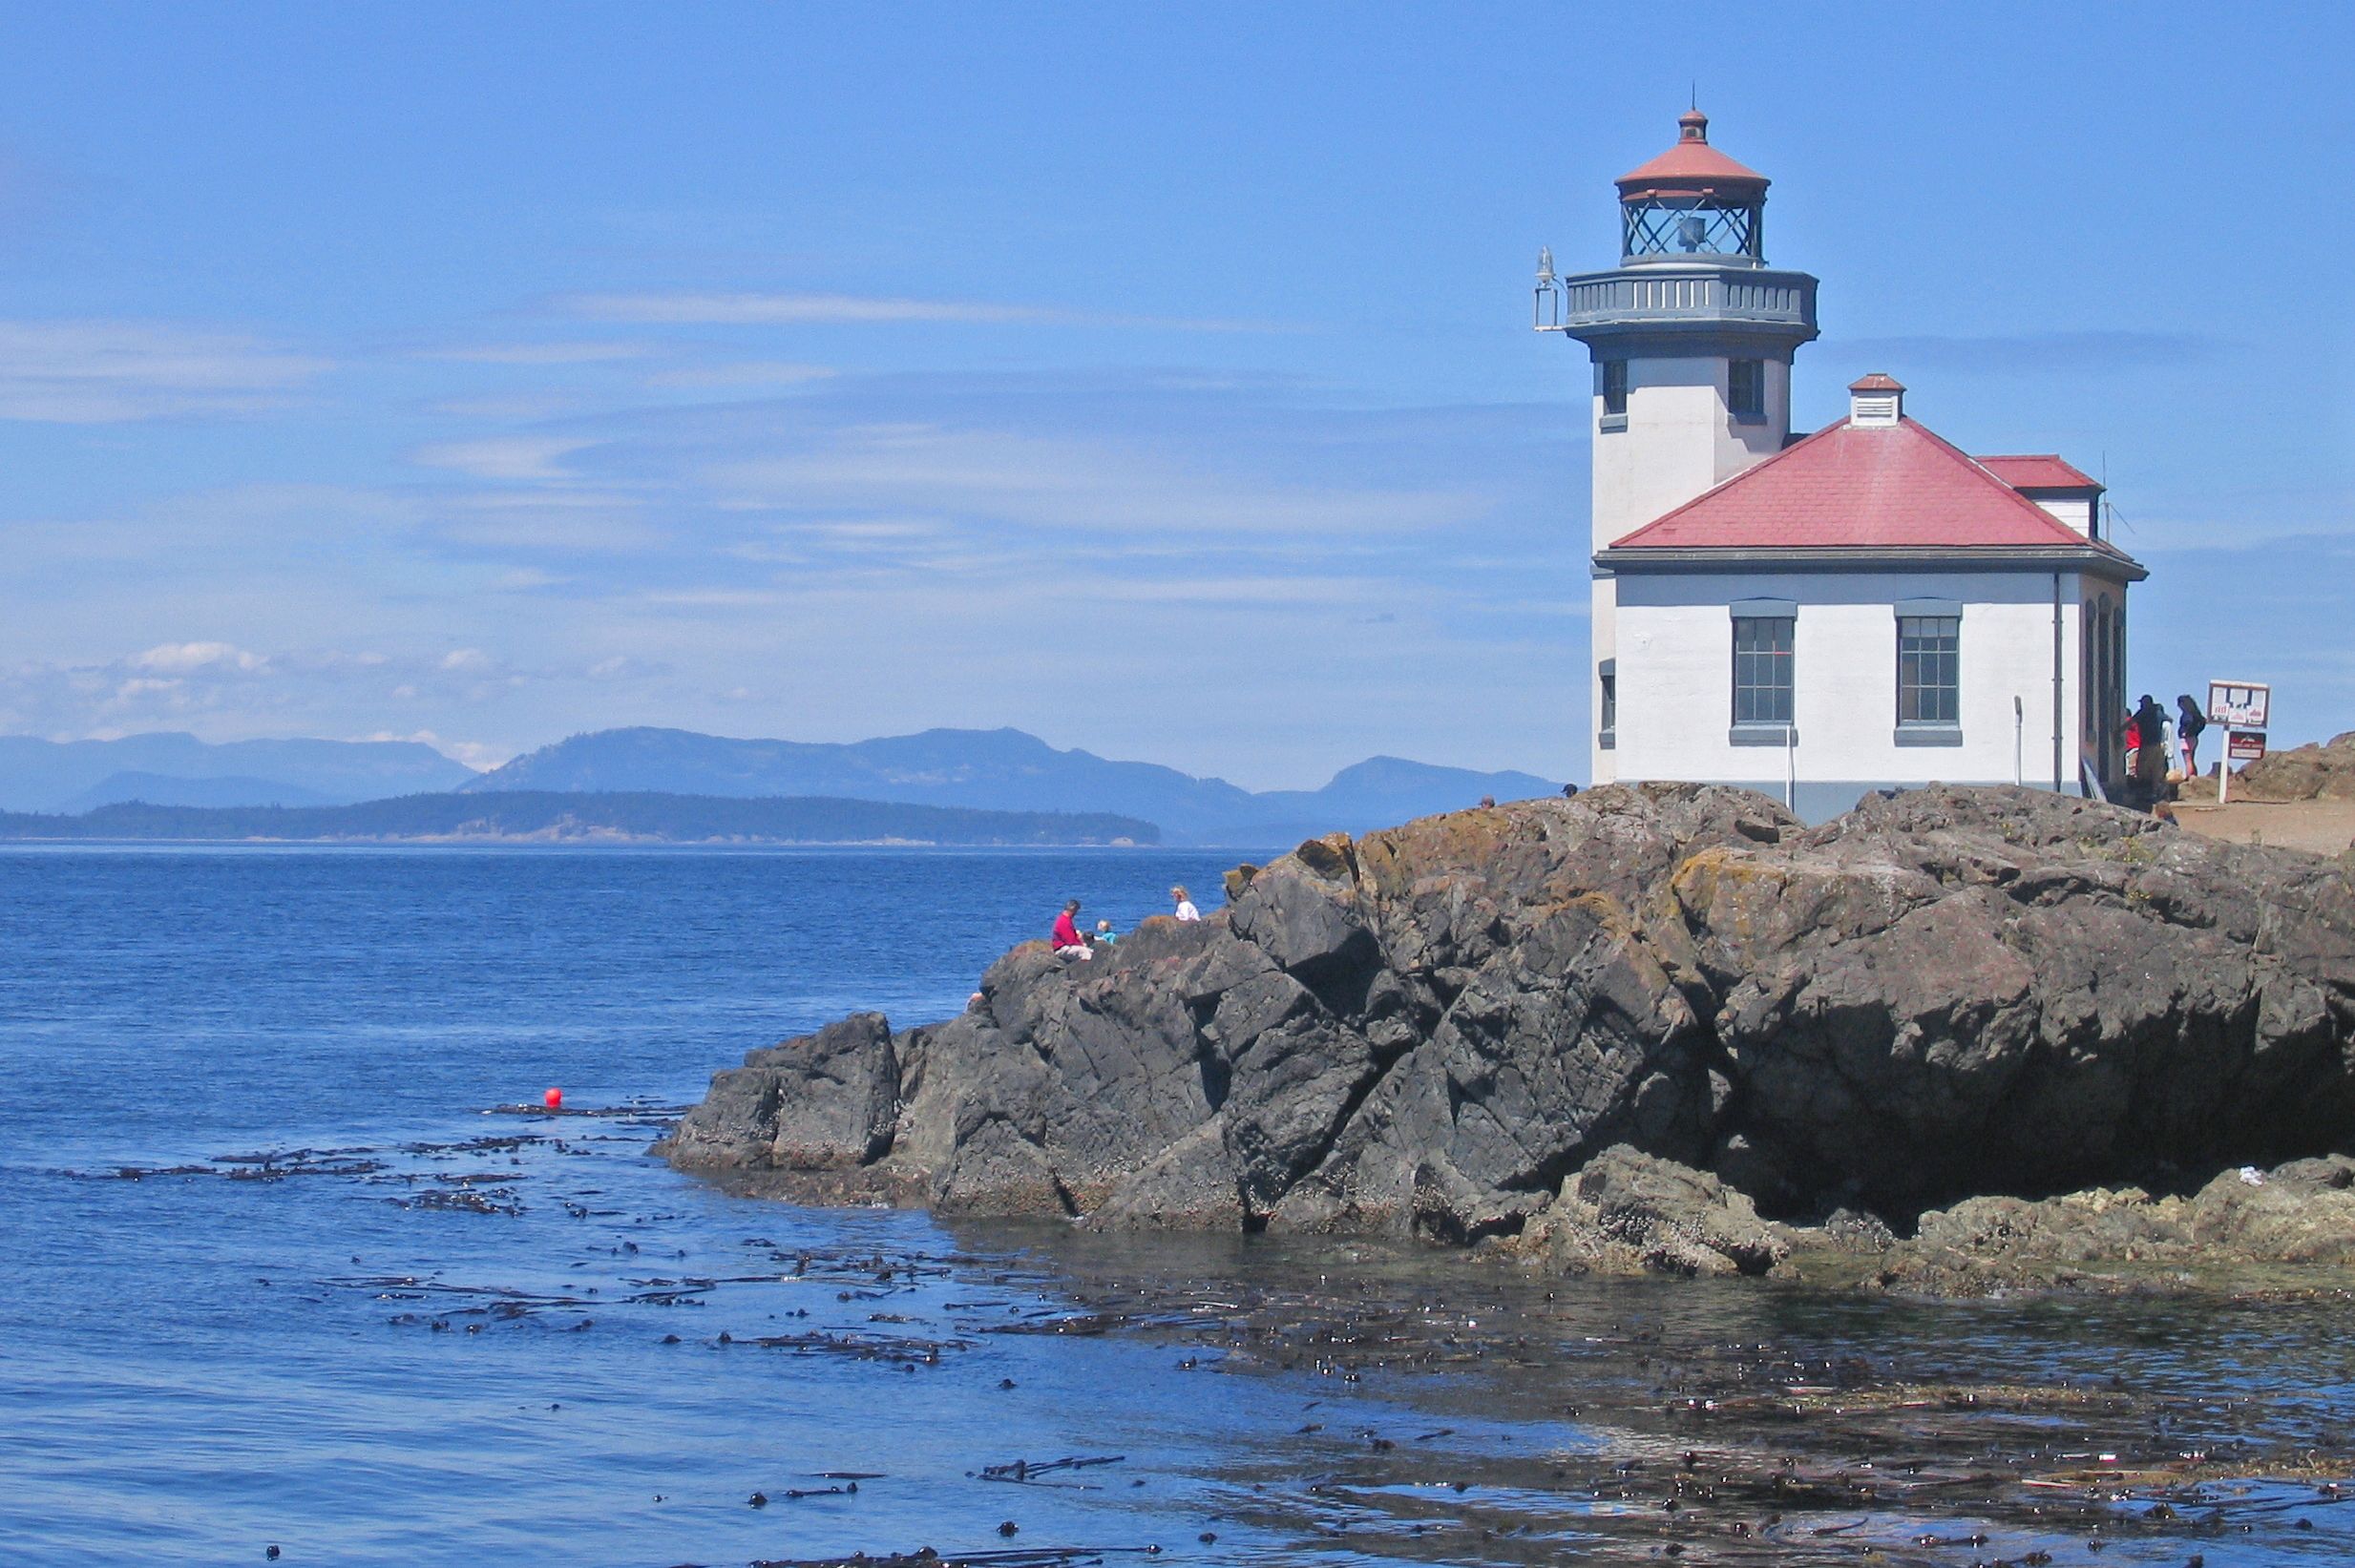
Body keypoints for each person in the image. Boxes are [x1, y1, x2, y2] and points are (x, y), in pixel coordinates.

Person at [2133, 694, 2170, 802]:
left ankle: (2143, 793)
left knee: (2142, 769)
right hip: (2157, 745)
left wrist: (2117, 731)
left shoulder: (2143, 712)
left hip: (2146, 745)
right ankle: (2154, 792)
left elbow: (2130, 722)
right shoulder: (2157, 712)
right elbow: (2169, 719)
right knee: (2156, 770)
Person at [2176, 694, 2208, 777]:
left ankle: (2189, 777)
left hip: (2187, 738)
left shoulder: (2187, 714)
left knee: (2187, 759)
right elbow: (2203, 722)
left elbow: (2189, 723)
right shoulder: (2196, 713)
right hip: (2193, 738)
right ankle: (2193, 776)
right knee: (2191, 758)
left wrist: (2187, 732)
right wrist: (2196, 732)